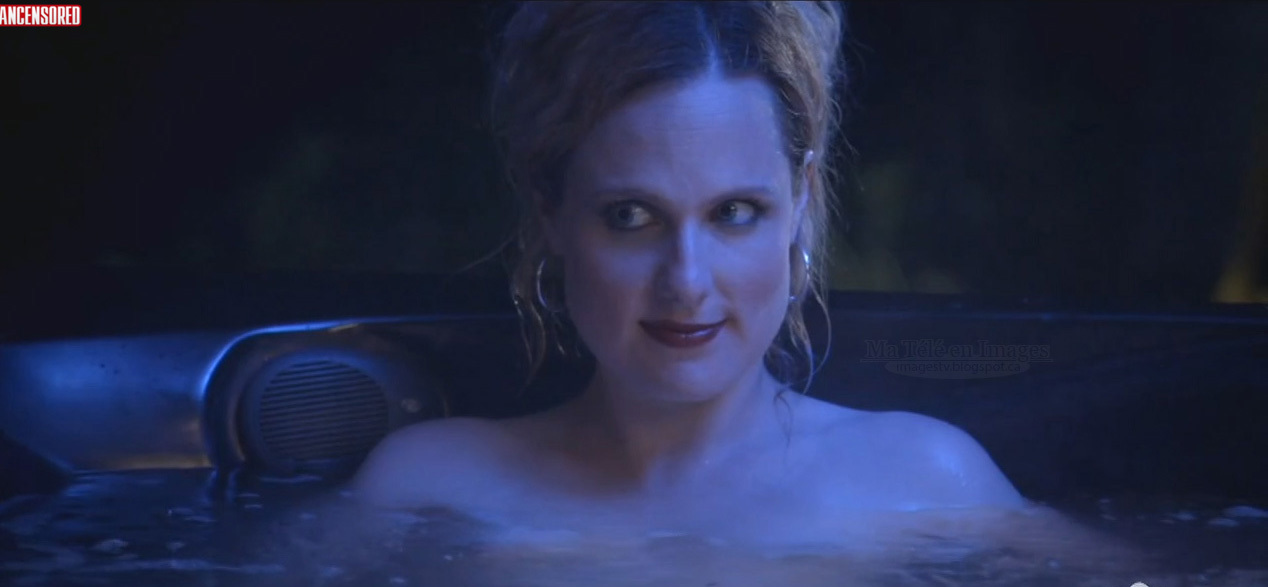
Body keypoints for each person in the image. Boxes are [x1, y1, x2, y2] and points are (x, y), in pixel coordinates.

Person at [354, 1, 1025, 542]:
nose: (687, 282)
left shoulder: (927, 485)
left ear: (801, 200)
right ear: (550, 211)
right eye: (631, 217)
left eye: (734, 213)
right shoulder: (428, 493)